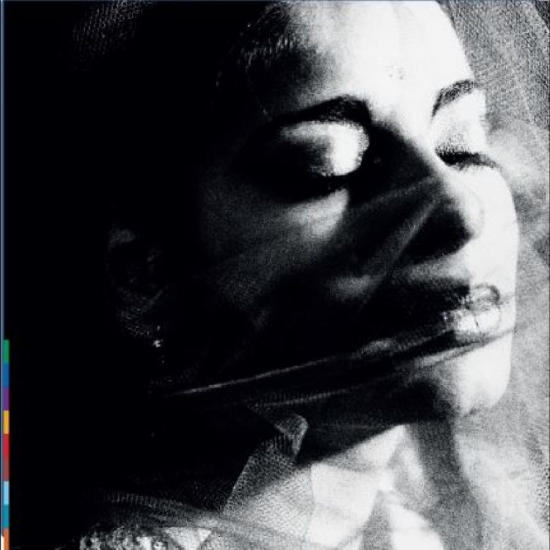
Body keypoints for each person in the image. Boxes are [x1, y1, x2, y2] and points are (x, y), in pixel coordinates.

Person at [58, 1, 547, 548]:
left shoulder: (435, 520)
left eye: (462, 145)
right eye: (330, 163)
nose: (461, 210)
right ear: (147, 267)